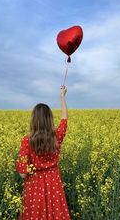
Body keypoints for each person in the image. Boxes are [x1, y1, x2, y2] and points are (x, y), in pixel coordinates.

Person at [16, 85, 70, 220]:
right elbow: (64, 119)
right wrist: (62, 96)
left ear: (34, 120)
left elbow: (22, 174)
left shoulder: (26, 141)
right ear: (49, 119)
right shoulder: (56, 136)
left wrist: (33, 168)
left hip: (34, 185)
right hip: (54, 183)